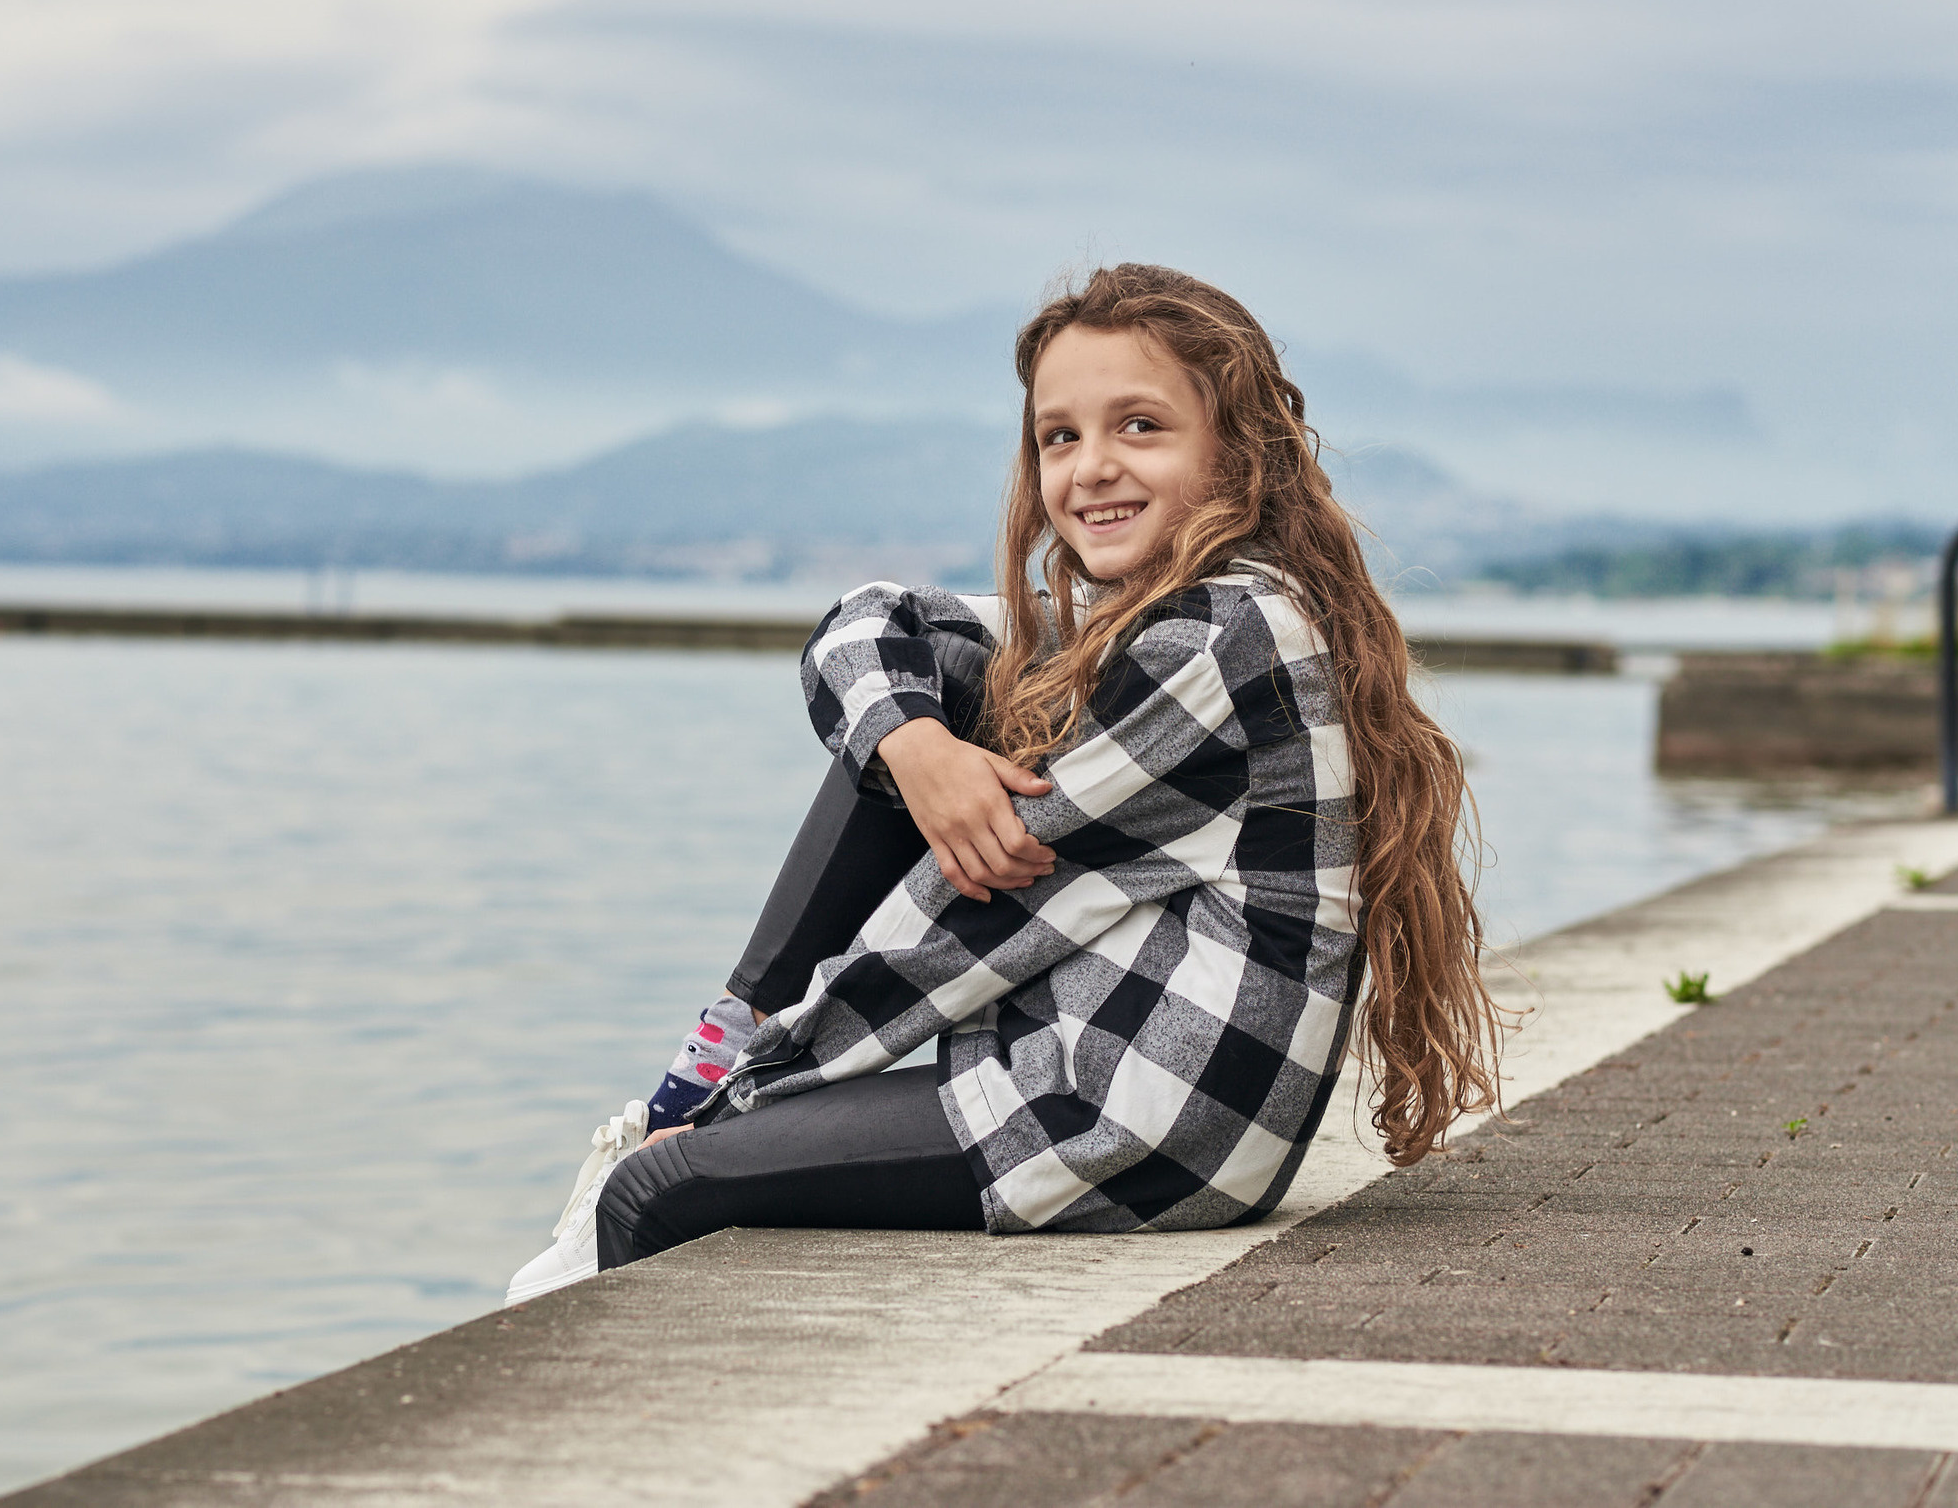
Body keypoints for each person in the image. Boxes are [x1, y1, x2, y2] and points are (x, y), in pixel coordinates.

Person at [505, 263, 1504, 1305]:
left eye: (1140, 426)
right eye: (1059, 436)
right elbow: (869, 621)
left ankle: (695, 1089)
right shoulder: (1157, 617)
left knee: (655, 1187)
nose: (1092, 468)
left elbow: (967, 924)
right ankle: (709, 1059)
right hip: (1100, 1077)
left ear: (1236, 449)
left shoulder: (1218, 639)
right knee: (915, 700)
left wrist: (734, 1097)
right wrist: (916, 747)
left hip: (1137, 1115)